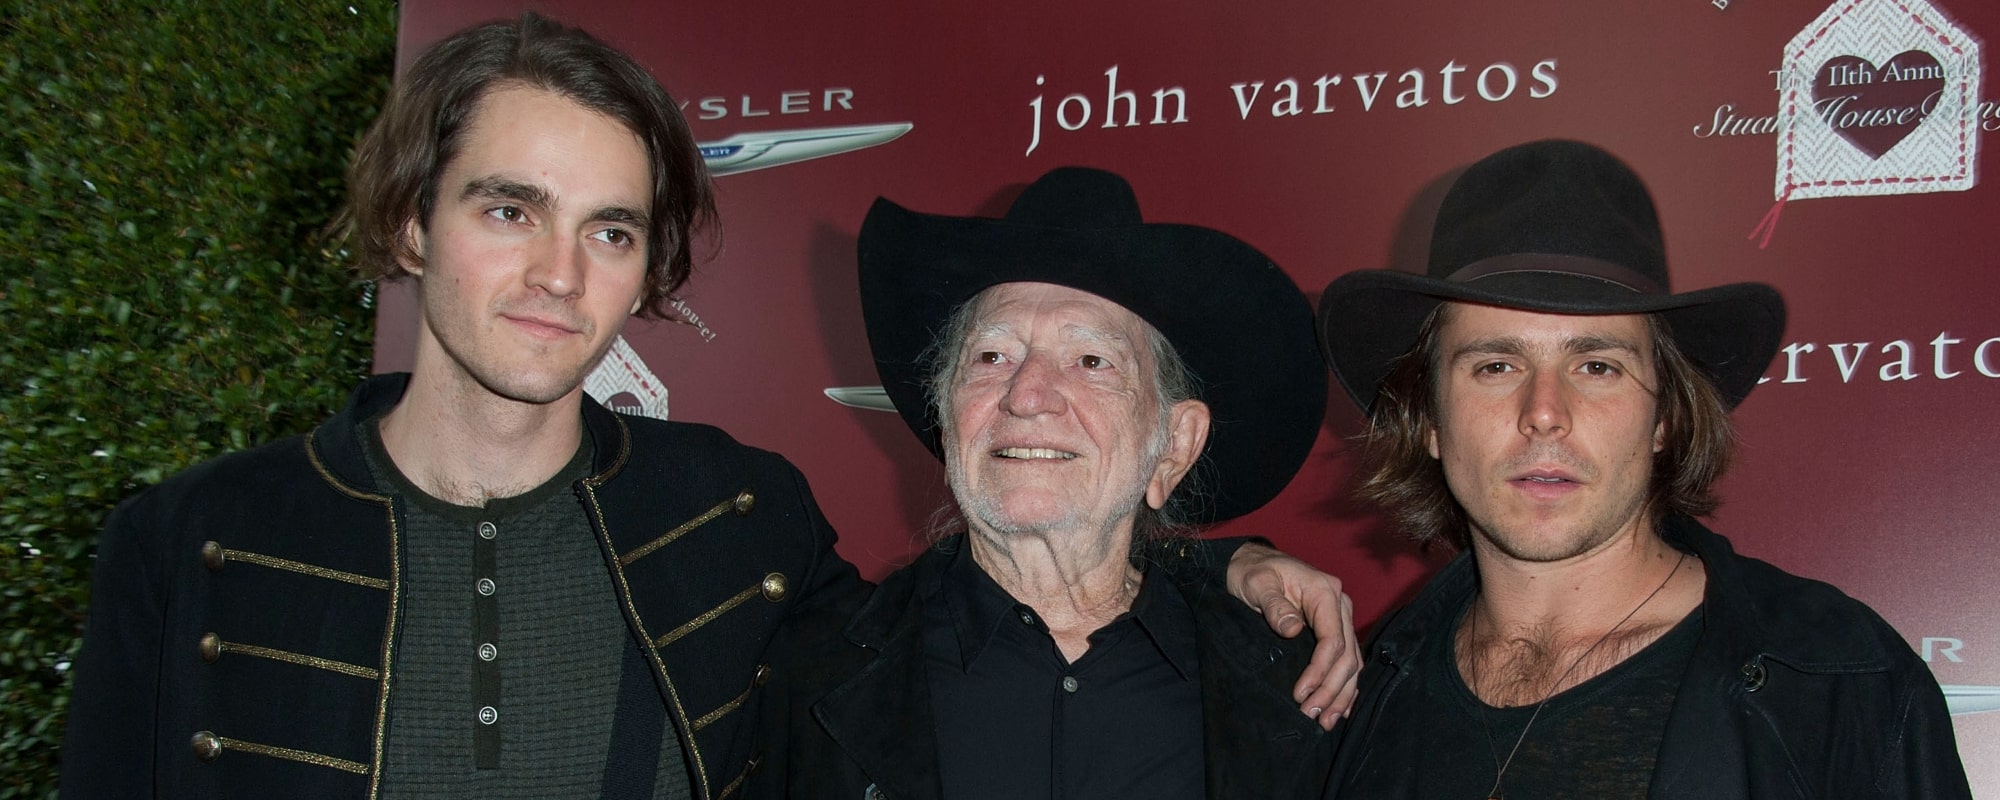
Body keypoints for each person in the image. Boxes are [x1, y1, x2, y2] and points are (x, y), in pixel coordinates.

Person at [59, 15, 1358, 799]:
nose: (559, 272)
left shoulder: (733, 519)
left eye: (610, 229)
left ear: (647, 267)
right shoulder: (191, 543)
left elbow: (1044, 558)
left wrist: (1230, 565)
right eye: (511, 209)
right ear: (410, 218)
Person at [1317, 139, 1970, 798]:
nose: (1544, 413)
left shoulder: (1841, 686)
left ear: (1664, 417)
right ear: (1429, 418)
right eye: (1496, 365)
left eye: (1597, 366)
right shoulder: (1361, 695)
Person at [748, 166, 1347, 799]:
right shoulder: (804, 676)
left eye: (1091, 361)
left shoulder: (1295, 687)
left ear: (1174, 445)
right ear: (948, 415)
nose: (1027, 396)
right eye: (991, 357)